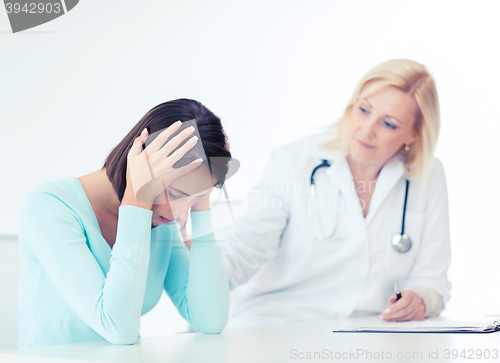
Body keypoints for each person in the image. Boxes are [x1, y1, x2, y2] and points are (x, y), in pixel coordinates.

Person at [218, 59, 452, 328]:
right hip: (279, 322)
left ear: (413, 133)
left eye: (388, 124)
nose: (367, 129)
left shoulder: (427, 176)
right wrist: (195, 271)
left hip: (373, 330)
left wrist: (421, 299)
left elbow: (433, 278)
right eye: (364, 110)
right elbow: (246, 246)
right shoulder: (293, 162)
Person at [17, 99, 231, 348]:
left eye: (193, 198)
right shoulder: (48, 206)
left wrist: (202, 198)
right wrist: (136, 200)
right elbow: (117, 328)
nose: (179, 214)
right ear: (140, 160)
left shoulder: (161, 220)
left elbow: (210, 320)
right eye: (173, 194)